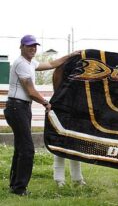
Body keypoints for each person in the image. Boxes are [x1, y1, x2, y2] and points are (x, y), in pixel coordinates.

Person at [3, 35, 80, 196]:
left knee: (20, 149)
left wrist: (71, 55)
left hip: (21, 108)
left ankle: (15, 185)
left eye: (35, 46)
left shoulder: (31, 63)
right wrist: (46, 102)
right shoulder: (22, 64)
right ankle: (19, 189)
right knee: (28, 150)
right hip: (17, 108)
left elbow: (52, 63)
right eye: (29, 46)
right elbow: (30, 91)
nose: (33, 48)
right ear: (21, 47)